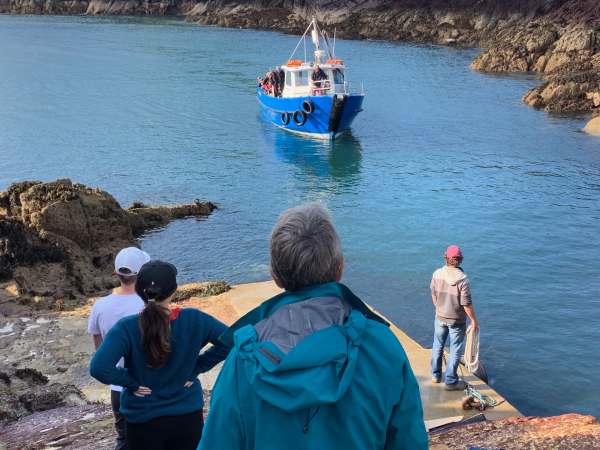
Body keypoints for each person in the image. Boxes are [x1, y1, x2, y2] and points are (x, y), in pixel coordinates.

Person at [199, 203, 428, 450]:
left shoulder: (242, 361)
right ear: (339, 267)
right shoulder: (383, 347)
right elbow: (410, 441)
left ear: (275, 275)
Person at [90, 260, 230, 450]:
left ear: (139, 291)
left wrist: (132, 382)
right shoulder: (195, 319)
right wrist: (196, 368)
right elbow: (231, 340)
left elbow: (99, 368)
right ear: (174, 290)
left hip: (142, 421)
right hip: (187, 417)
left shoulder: (127, 327)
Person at [87, 246, 151, 450]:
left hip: (117, 387)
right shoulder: (148, 306)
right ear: (141, 274)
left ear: (116, 274)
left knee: (124, 440)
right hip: (147, 384)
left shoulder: (100, 305)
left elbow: (99, 350)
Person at [430, 245, 479, 390]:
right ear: (460, 260)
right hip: (456, 321)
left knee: (438, 345)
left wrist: (439, 308)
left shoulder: (436, 274)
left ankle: (435, 375)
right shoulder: (463, 279)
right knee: (455, 349)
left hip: (439, 317)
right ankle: (451, 381)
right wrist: (474, 321)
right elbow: (466, 304)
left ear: (446, 258)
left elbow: (433, 295)